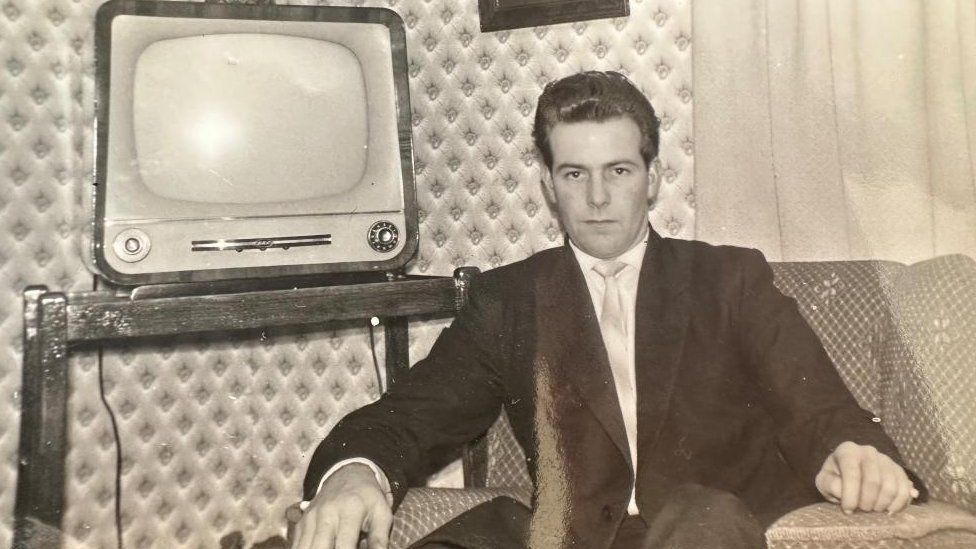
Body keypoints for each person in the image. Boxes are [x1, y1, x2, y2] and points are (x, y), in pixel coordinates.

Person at [294, 71, 923, 549]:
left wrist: (850, 449)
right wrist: (356, 471)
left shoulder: (729, 278)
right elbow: (411, 415)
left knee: (701, 515)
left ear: (651, 177)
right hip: (565, 537)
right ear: (547, 183)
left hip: (702, 530)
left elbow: (816, 404)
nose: (596, 199)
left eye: (618, 170)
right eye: (574, 174)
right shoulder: (507, 302)